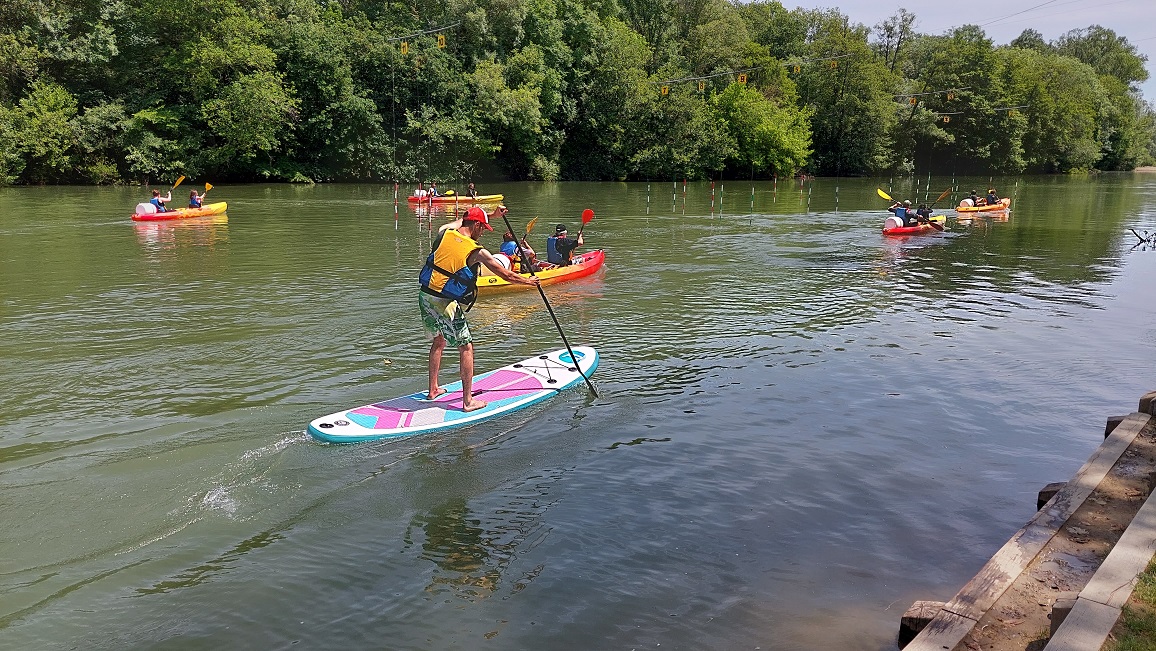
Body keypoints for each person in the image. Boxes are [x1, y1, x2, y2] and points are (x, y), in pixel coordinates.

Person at [419, 205, 539, 411]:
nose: (482, 232)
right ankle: (467, 402)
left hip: (425, 296)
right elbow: (506, 274)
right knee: (466, 347)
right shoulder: (477, 251)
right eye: (482, 227)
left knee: (439, 340)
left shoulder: (444, 232)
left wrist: (491, 215)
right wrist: (530, 282)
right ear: (475, 225)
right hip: (445, 302)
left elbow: (461, 221)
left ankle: (433, 389)